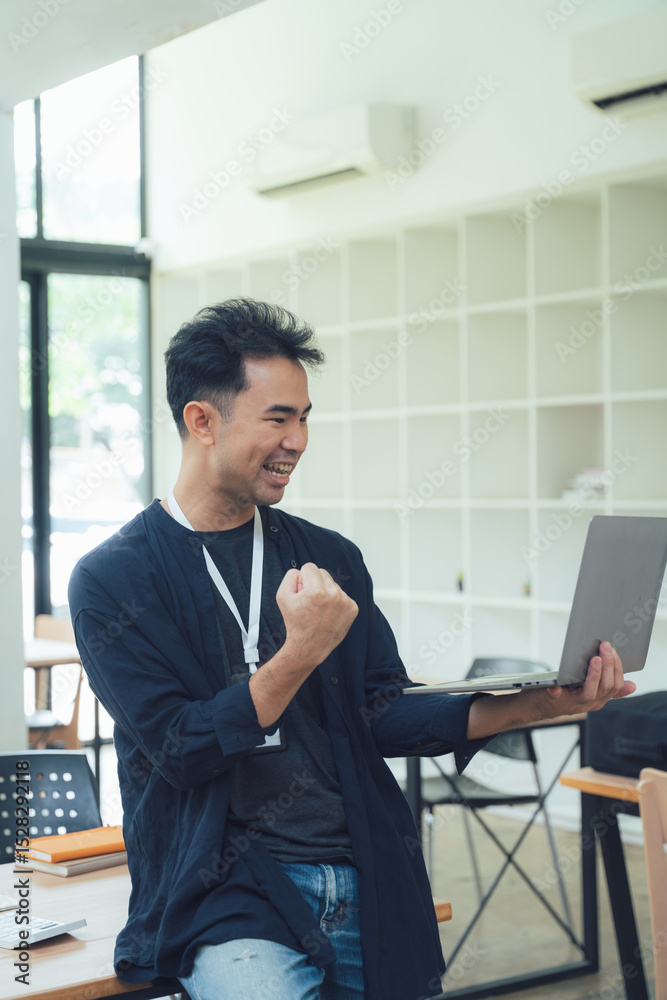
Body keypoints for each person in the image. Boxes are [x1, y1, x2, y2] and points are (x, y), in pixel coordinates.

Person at [68, 298, 635, 1000]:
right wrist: (299, 652)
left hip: (367, 869)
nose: (297, 441)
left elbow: (381, 711)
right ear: (202, 421)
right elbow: (182, 749)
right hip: (226, 892)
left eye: (305, 418)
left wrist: (543, 704)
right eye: (278, 418)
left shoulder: (327, 557)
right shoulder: (114, 580)